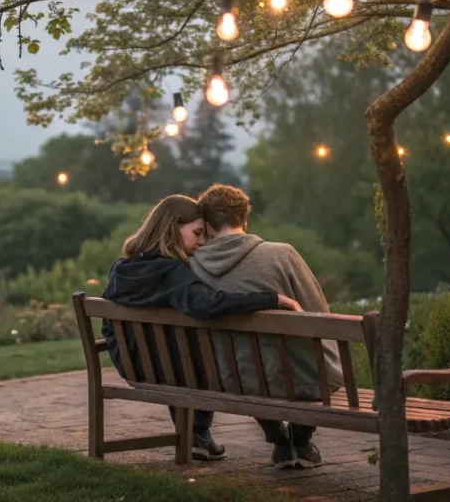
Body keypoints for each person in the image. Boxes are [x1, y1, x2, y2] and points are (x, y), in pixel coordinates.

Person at [101, 194, 303, 462]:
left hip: (135, 367)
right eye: (197, 233)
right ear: (173, 226)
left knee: (178, 351)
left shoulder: (120, 269)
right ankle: (264, 436)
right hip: (177, 373)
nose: (202, 242)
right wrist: (271, 298)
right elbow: (207, 304)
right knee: (226, 353)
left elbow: (108, 326)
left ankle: (196, 435)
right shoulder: (174, 272)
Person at [191, 184, 343, 470]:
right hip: (296, 379)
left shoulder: (191, 267)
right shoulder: (282, 254)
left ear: (208, 226)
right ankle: (300, 439)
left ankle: (279, 439)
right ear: (244, 220)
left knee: (248, 362)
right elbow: (319, 314)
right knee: (304, 357)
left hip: (231, 379)